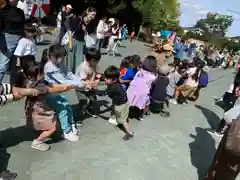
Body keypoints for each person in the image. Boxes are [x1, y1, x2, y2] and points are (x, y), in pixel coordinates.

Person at [14, 55, 77, 151]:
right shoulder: (39, 87)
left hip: (34, 107)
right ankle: (37, 142)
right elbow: (55, 89)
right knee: (52, 128)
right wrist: (72, 85)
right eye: (41, 73)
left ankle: (42, 132)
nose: (43, 74)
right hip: (39, 108)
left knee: (44, 122)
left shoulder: (28, 81)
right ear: (34, 76)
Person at [42, 44, 89, 141]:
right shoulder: (49, 66)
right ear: (51, 56)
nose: (60, 60)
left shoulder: (60, 63)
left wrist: (82, 81)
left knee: (67, 105)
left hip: (57, 93)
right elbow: (63, 81)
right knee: (62, 109)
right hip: (48, 94)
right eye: (58, 57)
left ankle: (71, 124)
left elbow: (68, 75)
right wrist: (81, 84)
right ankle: (66, 132)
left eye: (62, 57)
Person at [104, 65, 134, 140]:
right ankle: (115, 117)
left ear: (114, 80)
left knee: (122, 120)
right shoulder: (117, 81)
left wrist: (95, 91)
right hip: (124, 101)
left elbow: (106, 93)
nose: (105, 79)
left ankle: (129, 133)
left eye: (107, 78)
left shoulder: (113, 88)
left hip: (120, 105)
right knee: (118, 110)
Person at [0, 0, 26, 82]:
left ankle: (13, 87)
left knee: (17, 66)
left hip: (20, 37)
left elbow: (23, 25)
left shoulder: (20, 12)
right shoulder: (3, 11)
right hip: (8, 38)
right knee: (3, 65)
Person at [127, 56, 157, 120]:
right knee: (144, 104)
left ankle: (126, 113)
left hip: (133, 88)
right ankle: (141, 115)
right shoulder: (153, 76)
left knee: (130, 101)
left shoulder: (140, 70)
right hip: (143, 93)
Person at [68, 7, 96, 73]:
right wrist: (70, 43)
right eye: (92, 14)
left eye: (94, 15)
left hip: (82, 44)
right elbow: (70, 30)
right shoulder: (79, 18)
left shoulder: (91, 24)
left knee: (79, 62)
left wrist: (85, 30)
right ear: (87, 12)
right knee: (71, 61)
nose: (93, 17)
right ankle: (69, 77)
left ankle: (76, 76)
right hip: (73, 41)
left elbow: (89, 35)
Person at [75, 47, 101, 119]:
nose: (98, 63)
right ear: (92, 60)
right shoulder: (83, 67)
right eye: (98, 61)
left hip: (88, 84)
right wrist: (92, 83)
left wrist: (94, 81)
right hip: (79, 86)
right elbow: (84, 80)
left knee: (93, 99)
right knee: (83, 101)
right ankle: (78, 117)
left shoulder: (94, 64)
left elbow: (94, 73)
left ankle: (87, 109)